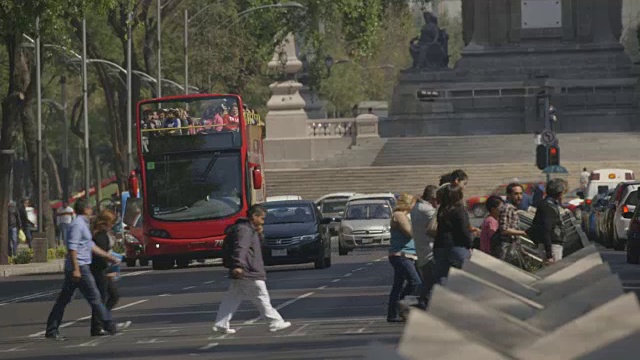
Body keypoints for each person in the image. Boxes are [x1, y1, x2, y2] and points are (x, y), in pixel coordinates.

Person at [45, 199, 122, 341]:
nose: (92, 210)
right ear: (85, 209)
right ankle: (109, 325)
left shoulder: (83, 224)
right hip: (79, 267)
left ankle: (51, 329)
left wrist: (109, 257)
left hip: (80, 266)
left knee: (64, 299)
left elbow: (91, 246)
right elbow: (72, 248)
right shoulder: (77, 225)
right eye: (90, 208)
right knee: (95, 297)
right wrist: (76, 269)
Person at [213, 205, 291, 334]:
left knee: (233, 297)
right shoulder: (244, 230)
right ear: (254, 216)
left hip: (245, 270)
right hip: (249, 271)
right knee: (262, 297)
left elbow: (253, 246)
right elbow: (241, 248)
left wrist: (259, 233)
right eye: (262, 218)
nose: (263, 221)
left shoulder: (248, 229)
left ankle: (221, 323)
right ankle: (275, 322)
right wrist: (238, 265)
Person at [387, 193, 422, 322]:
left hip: (409, 254)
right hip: (401, 255)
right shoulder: (399, 215)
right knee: (415, 281)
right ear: (408, 203)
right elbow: (410, 232)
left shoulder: (406, 215)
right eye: (414, 203)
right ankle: (403, 304)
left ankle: (392, 314)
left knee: (398, 285)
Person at [89, 210, 121, 336]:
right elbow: (100, 254)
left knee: (113, 296)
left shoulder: (103, 234)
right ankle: (98, 326)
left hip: (104, 269)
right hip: (100, 270)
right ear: (106, 222)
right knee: (101, 298)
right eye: (111, 222)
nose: (112, 225)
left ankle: (102, 321)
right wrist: (110, 268)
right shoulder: (99, 236)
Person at [528, 178, 566, 263]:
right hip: (552, 246)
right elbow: (546, 229)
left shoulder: (547, 204)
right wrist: (549, 254)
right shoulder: (549, 206)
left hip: (550, 244)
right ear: (560, 193)